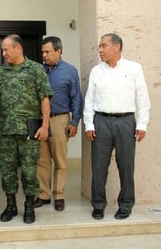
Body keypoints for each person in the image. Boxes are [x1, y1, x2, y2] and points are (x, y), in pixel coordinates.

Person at [84, 33, 150, 220]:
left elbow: (142, 98)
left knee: (126, 166)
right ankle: (98, 205)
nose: (100, 50)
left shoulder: (134, 69)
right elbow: (89, 100)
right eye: (100, 46)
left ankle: (126, 205)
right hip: (101, 122)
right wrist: (89, 123)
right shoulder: (97, 71)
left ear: (117, 47)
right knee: (98, 166)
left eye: (104, 46)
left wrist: (142, 123)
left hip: (126, 122)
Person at [0, 34, 53, 224]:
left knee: (29, 171)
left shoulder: (35, 70)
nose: (3, 53)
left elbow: (45, 99)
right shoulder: (1, 72)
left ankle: (30, 206)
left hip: (29, 132)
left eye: (6, 49)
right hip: (7, 131)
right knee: (7, 171)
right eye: (2, 49)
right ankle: (10, 205)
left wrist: (45, 126)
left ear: (18, 48)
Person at [34, 36, 83, 212]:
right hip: (40, 121)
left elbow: (76, 97)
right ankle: (43, 195)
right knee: (42, 160)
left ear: (58, 51)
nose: (44, 55)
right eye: (43, 52)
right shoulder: (38, 70)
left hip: (60, 119)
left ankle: (59, 195)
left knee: (60, 160)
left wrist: (75, 121)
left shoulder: (70, 71)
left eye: (48, 52)